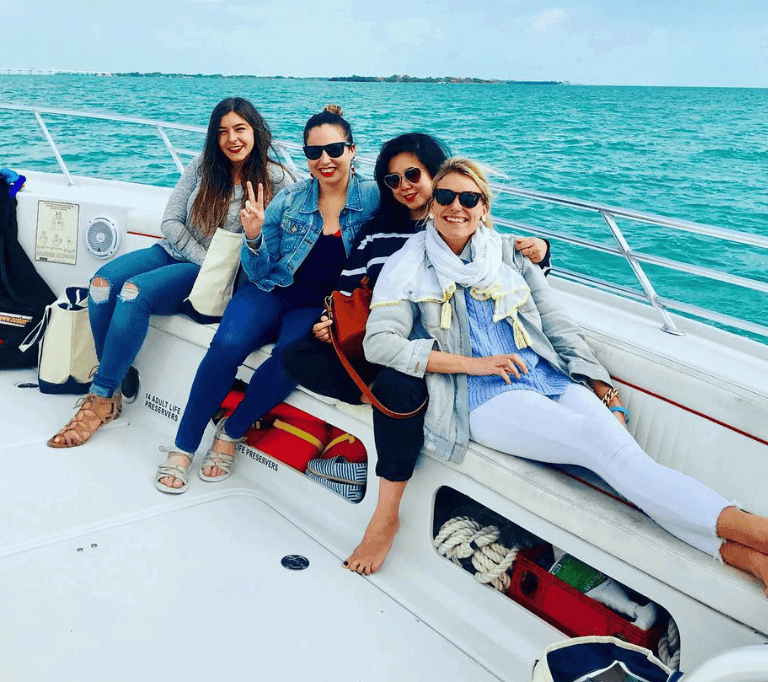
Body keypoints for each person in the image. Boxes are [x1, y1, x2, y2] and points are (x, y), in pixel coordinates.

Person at [363, 157, 768, 591]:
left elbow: (557, 325)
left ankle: (747, 558)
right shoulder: (409, 263)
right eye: (445, 196)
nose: (455, 207)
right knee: (604, 449)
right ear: (432, 203)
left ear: (484, 207)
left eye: (469, 198)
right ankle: (758, 532)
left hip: (546, 378)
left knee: (628, 464)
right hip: (481, 396)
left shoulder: (505, 254)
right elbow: (380, 344)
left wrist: (601, 387)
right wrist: (475, 364)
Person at [281, 134, 550, 575]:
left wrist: (542, 252)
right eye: (392, 179)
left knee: (397, 389)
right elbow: (346, 289)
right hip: (380, 338)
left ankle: (385, 516)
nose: (404, 185)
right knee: (295, 356)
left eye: (414, 175)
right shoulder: (377, 230)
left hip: (433, 353)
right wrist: (329, 323)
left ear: (436, 175)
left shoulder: (460, 222)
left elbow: (508, 267)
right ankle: (379, 399)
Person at [155, 104, 379, 493]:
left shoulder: (375, 198)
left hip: (319, 308)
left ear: (352, 151)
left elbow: (423, 210)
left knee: (290, 358)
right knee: (225, 345)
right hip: (268, 289)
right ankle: (184, 445)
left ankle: (233, 430)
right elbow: (259, 271)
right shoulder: (290, 199)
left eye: (335, 150)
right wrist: (255, 236)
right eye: (314, 152)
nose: (324, 160)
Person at [48, 98, 291, 449]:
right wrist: (202, 256)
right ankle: (114, 377)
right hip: (176, 250)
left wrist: (212, 263)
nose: (232, 139)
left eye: (240, 129)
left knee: (132, 292)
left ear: (255, 131)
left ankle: (100, 397)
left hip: (211, 274)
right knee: (100, 285)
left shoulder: (277, 179)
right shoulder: (202, 166)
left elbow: (281, 240)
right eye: (222, 132)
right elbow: (170, 221)